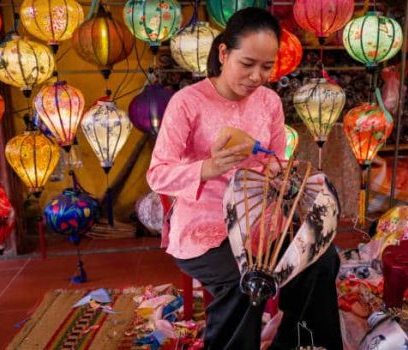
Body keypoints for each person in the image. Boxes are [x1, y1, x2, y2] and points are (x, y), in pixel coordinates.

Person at [146, 7, 343, 350]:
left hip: (262, 221)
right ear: (224, 53)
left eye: (266, 67)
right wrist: (207, 168)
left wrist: (284, 176)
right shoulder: (187, 103)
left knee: (320, 259)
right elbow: (157, 175)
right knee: (249, 280)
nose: (256, 77)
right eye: (247, 64)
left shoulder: (268, 102)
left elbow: (278, 162)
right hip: (203, 227)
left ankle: (299, 343)